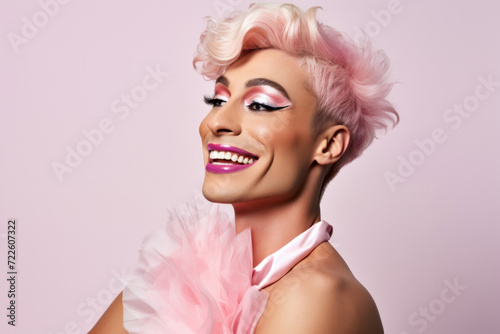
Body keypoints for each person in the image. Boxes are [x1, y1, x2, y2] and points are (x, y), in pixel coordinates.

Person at [89, 3, 398, 333]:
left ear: (328, 145)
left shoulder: (318, 296)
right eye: (218, 100)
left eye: (260, 105)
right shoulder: (186, 275)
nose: (217, 121)